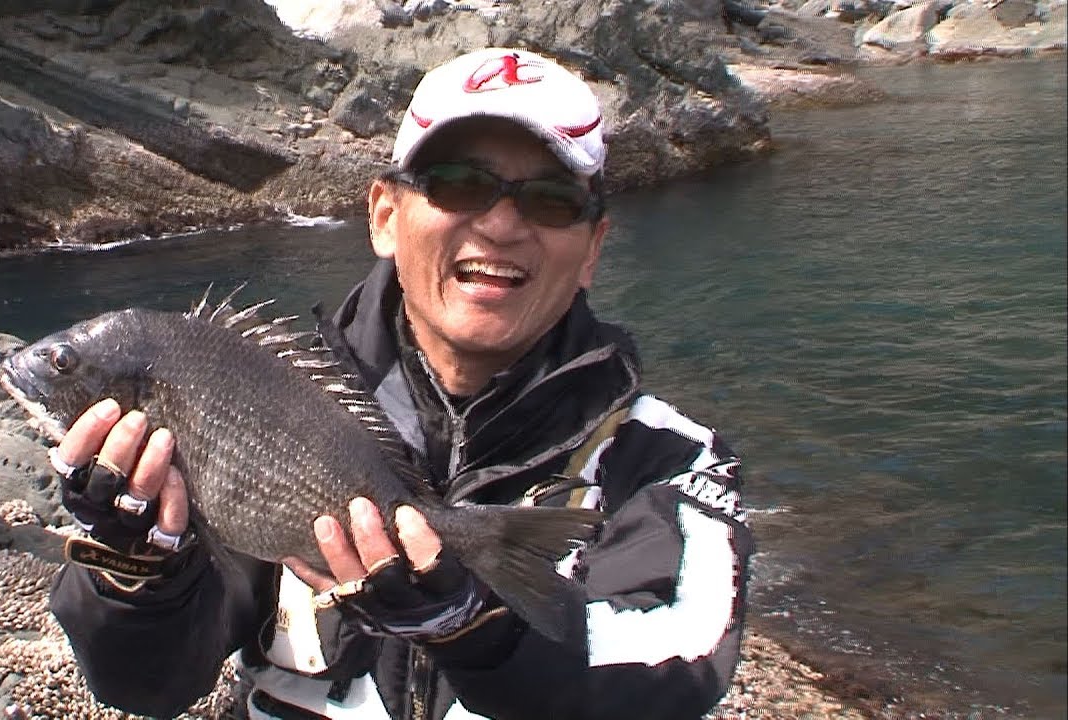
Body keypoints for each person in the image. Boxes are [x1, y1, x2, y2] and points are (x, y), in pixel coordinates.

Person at [47, 47, 754, 720]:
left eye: (550, 200)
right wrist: (137, 573)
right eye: (459, 185)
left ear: (594, 248)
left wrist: (476, 628)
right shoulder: (270, 407)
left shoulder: (668, 461)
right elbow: (146, 687)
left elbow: (678, 661)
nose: (503, 224)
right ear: (384, 216)